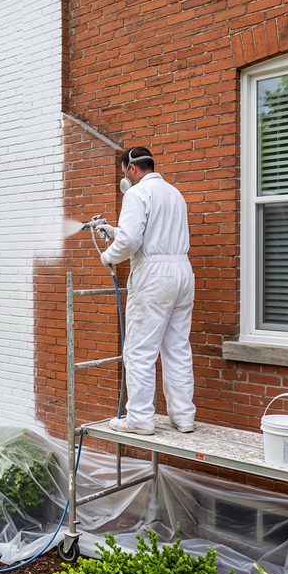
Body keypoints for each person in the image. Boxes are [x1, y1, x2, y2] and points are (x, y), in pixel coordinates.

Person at [97, 147, 196, 435]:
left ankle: (139, 419)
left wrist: (108, 256)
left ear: (131, 170)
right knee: (177, 348)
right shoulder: (174, 194)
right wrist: (114, 231)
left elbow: (130, 242)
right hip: (182, 272)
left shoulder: (136, 194)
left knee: (139, 350)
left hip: (154, 276)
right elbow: (150, 232)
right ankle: (184, 417)